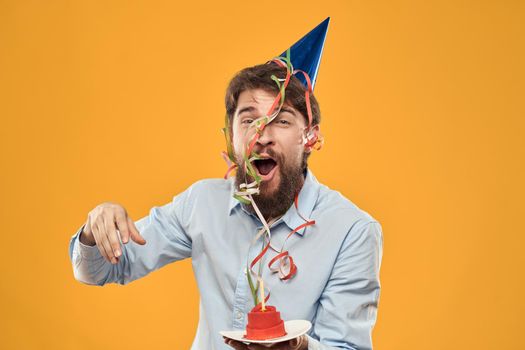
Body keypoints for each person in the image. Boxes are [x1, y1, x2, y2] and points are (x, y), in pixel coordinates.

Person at [69, 19, 383, 350]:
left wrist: (298, 347)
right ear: (231, 138)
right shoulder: (202, 203)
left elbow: (347, 347)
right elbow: (99, 271)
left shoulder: (353, 230)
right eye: (249, 120)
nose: (262, 136)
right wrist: (95, 229)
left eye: (282, 121)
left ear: (310, 137)